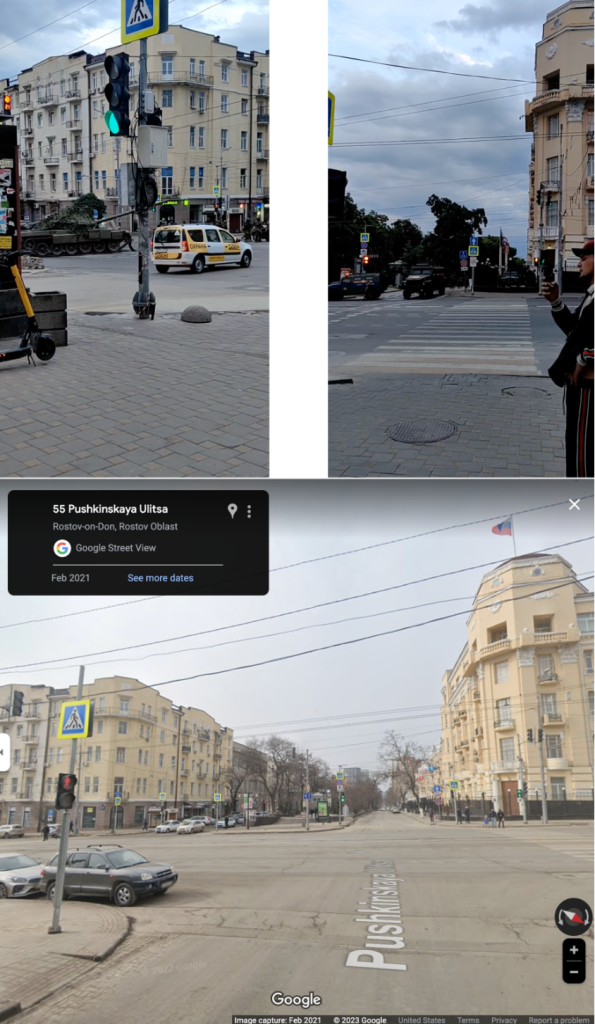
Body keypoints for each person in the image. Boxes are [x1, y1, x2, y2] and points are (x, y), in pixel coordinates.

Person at [544, 239, 595, 476]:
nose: (579, 263)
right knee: (577, 445)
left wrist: (583, 360)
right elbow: (575, 331)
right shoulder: (591, 296)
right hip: (581, 385)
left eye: (584, 258)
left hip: (588, 386)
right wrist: (555, 301)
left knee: (582, 452)